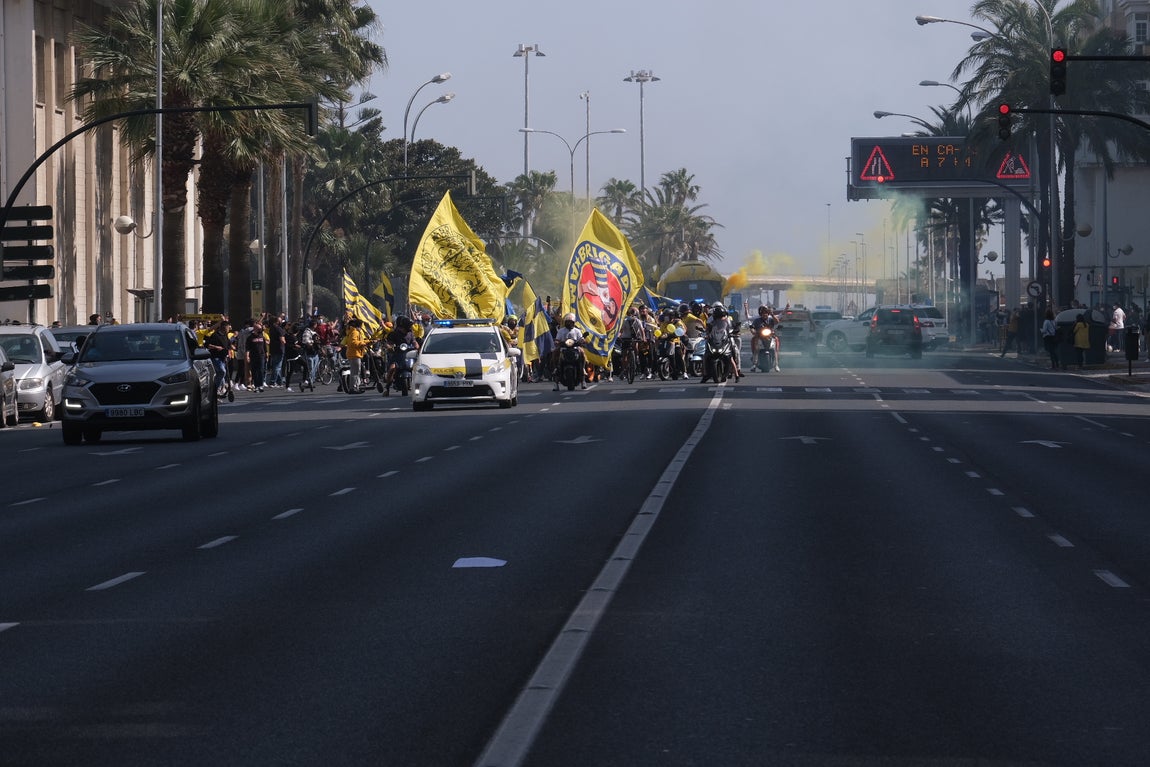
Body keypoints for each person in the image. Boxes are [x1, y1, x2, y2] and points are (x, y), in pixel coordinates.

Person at [552, 312, 586, 391]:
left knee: (582, 353)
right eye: (568, 322)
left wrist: (582, 341)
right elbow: (557, 339)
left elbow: (581, 339)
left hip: (575, 348)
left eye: (571, 322)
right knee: (554, 352)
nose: (569, 323)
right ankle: (555, 370)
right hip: (564, 349)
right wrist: (557, 342)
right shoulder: (561, 331)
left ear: (573, 322)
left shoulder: (577, 331)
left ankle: (583, 373)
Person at [342, 317, 370, 393]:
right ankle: (353, 388)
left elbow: (360, 341)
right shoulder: (355, 332)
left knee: (356, 372)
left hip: (355, 353)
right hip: (354, 354)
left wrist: (369, 341)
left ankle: (356, 387)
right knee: (355, 372)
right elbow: (353, 343)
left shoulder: (355, 332)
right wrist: (364, 343)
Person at [204, 319, 232, 394]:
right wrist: (216, 347)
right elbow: (207, 345)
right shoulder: (215, 335)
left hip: (223, 358)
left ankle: (220, 390)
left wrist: (229, 353)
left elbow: (228, 345)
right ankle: (214, 390)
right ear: (224, 327)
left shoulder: (225, 336)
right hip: (216, 357)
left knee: (221, 374)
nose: (229, 329)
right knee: (222, 372)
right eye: (228, 327)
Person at [245, 319, 268, 392]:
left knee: (261, 370)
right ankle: (256, 385)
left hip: (261, 355)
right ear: (255, 329)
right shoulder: (250, 338)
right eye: (258, 329)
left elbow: (264, 346)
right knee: (254, 371)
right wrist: (247, 356)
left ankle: (261, 385)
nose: (260, 330)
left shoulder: (262, 336)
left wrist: (266, 355)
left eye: (260, 329)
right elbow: (247, 348)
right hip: (253, 356)